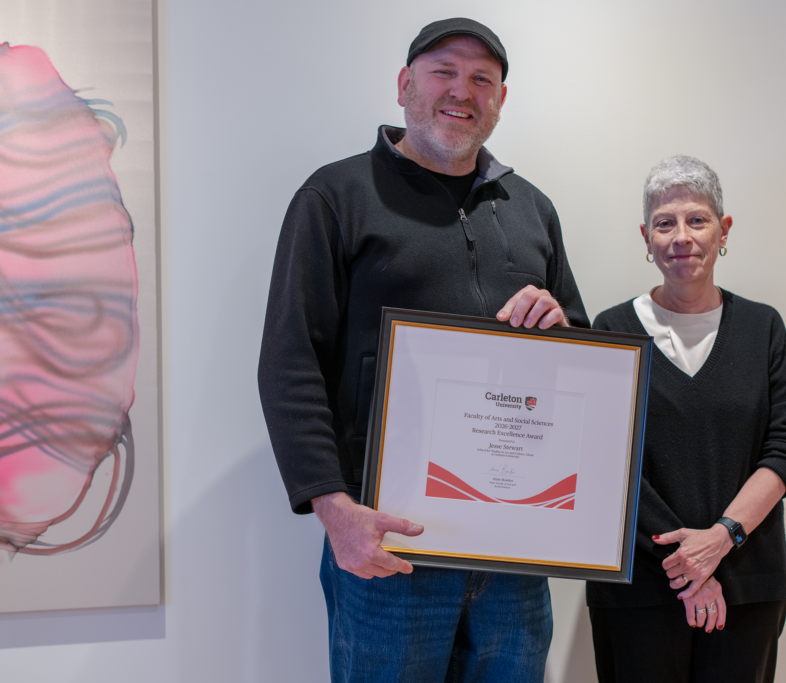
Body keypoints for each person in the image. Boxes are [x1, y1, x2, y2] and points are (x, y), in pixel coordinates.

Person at [257, 18, 588, 683]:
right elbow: (291, 362)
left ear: (500, 100)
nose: (462, 91)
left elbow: (579, 361)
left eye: (482, 80)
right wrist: (334, 509)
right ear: (406, 84)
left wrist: (561, 329)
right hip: (391, 545)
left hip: (512, 555)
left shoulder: (532, 209)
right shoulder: (337, 197)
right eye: (444, 72)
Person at [585, 155, 786, 683]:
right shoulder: (611, 328)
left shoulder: (763, 328)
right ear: (646, 236)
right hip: (638, 587)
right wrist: (691, 565)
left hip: (746, 583)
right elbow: (605, 460)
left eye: (697, 219)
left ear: (723, 229)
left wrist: (721, 538)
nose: (681, 236)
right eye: (665, 223)